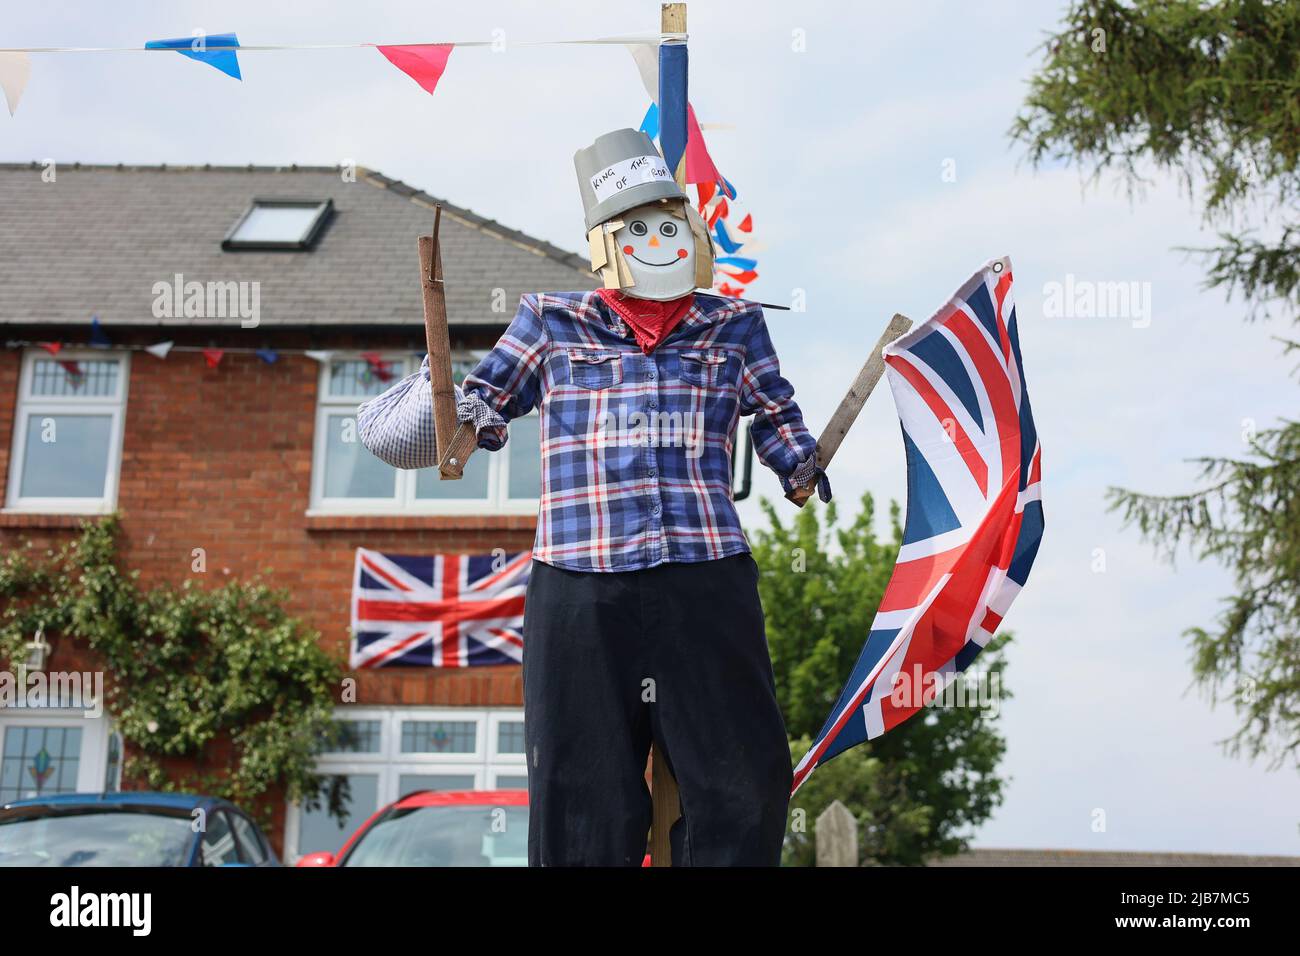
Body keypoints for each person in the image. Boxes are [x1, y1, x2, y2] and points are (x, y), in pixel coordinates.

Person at [357, 128, 829, 866]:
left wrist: (798, 465)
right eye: (638, 229)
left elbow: (773, 411)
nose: (658, 241)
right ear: (607, 244)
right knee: (581, 791)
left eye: (670, 225)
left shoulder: (734, 326)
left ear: (694, 234)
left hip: (705, 579)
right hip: (579, 586)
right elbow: (482, 407)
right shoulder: (551, 320)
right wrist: (443, 409)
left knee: (746, 781)